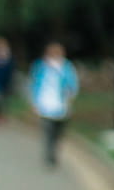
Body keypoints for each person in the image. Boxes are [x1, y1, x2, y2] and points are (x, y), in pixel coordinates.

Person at [29, 40, 80, 168]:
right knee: (48, 131)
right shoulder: (40, 67)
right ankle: (50, 155)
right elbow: (34, 85)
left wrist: (70, 96)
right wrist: (34, 102)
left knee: (58, 133)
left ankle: (54, 150)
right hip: (45, 105)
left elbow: (73, 84)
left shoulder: (66, 67)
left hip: (62, 106)